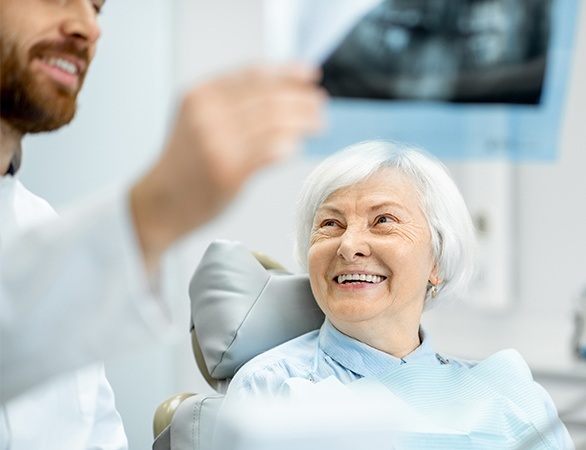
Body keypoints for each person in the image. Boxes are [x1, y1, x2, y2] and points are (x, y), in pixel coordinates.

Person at [0, 0, 325, 447]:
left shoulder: (38, 223)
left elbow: (96, 434)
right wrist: (152, 212)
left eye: (98, 7)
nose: (88, 27)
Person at [220, 140, 574, 448]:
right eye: (331, 224)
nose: (349, 246)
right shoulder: (272, 388)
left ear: (436, 259)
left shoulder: (511, 396)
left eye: (383, 221)